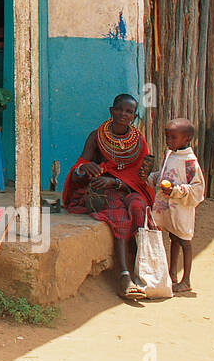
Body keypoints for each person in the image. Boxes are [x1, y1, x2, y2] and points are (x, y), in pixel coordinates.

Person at [62, 93, 156, 298]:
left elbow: (141, 177)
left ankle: (144, 268)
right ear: (111, 111)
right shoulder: (96, 136)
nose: (123, 114)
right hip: (104, 190)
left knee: (139, 208)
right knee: (119, 214)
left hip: (129, 189)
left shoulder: (138, 141)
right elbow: (80, 167)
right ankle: (124, 276)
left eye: (129, 112)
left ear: (134, 116)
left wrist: (117, 181)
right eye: (120, 109)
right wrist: (85, 168)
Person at [148, 118, 205, 293]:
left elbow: (197, 189)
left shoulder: (190, 162)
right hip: (168, 208)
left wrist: (176, 190)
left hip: (181, 209)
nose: (168, 141)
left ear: (186, 139)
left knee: (184, 241)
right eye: (167, 137)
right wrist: (152, 177)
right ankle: (172, 273)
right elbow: (165, 173)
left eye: (173, 138)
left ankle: (186, 280)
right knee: (173, 237)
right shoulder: (170, 154)